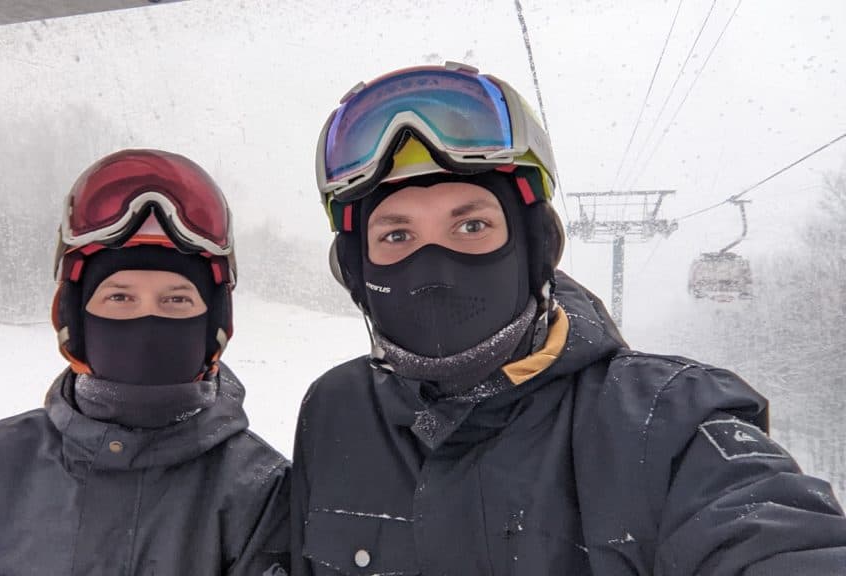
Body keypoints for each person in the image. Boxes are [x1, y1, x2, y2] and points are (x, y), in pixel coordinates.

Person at [289, 62, 846, 575]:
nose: (434, 268)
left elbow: (773, 536)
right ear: (357, 273)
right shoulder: (337, 411)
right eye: (396, 235)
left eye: (472, 226)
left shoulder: (669, 420)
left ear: (536, 246)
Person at [0, 149, 290, 575]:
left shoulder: (259, 490)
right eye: (119, 297)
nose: (147, 320)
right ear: (74, 319)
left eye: (177, 300)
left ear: (214, 323)